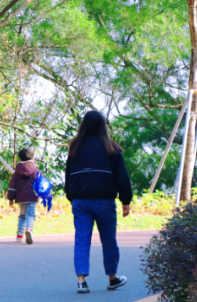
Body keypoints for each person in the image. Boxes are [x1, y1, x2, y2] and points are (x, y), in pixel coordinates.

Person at [65, 110, 133, 295]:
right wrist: (125, 199)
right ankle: (112, 278)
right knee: (109, 241)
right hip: (104, 201)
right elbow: (121, 176)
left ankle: (81, 282)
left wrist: (71, 196)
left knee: (81, 240)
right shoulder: (111, 147)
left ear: (83, 126)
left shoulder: (74, 148)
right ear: (103, 126)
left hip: (80, 201)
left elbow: (68, 175)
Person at [7, 147, 40, 245]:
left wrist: (11, 198)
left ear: (19, 160)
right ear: (33, 160)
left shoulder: (16, 173)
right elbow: (41, 184)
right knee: (30, 215)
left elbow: (12, 186)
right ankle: (29, 229)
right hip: (32, 198)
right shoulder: (36, 171)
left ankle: (19, 235)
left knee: (22, 216)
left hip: (20, 199)